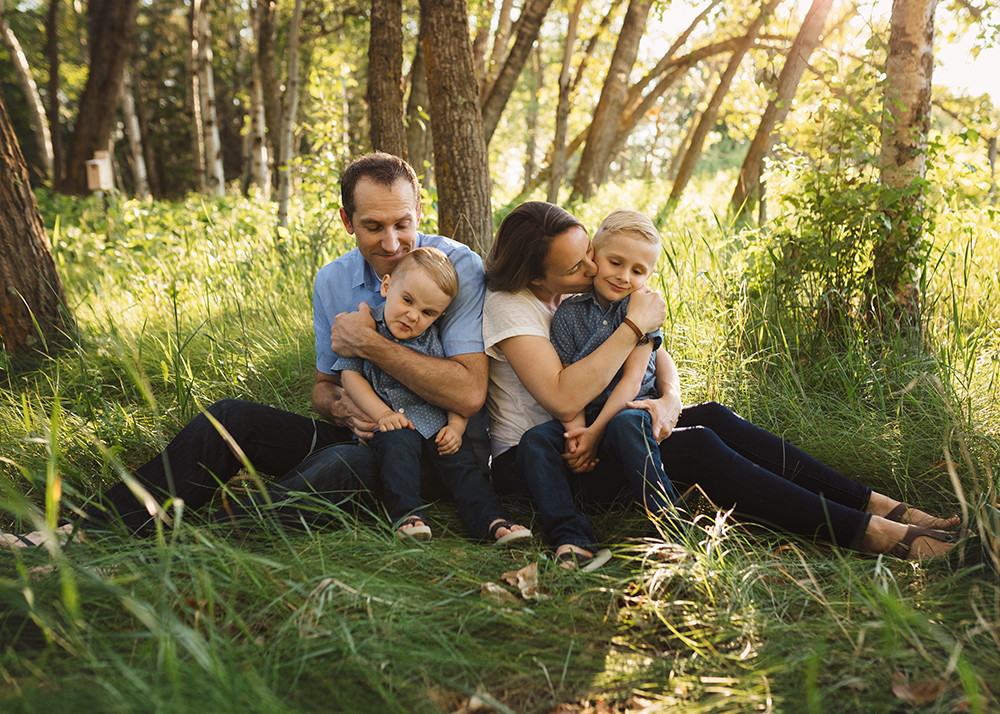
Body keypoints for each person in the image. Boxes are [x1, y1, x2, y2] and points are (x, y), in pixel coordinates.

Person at [2, 152, 524, 547]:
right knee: (234, 417)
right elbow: (323, 389)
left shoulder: (455, 270)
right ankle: (83, 532)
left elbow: (470, 392)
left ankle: (209, 542)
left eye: (402, 224)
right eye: (373, 226)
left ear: (418, 212)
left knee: (340, 461)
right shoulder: (333, 281)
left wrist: (372, 347)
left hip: (434, 450)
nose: (391, 243)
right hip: (364, 433)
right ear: (347, 222)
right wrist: (347, 406)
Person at [481, 201, 962, 570]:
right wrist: (634, 328)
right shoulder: (513, 306)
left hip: (600, 424)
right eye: (576, 267)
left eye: (587, 255)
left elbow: (647, 352)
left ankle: (879, 504)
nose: (590, 270)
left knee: (709, 414)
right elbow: (566, 396)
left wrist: (669, 398)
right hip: (551, 454)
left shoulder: (575, 286)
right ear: (536, 273)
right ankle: (871, 532)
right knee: (699, 448)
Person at [335, 247, 529, 544]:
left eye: (427, 312)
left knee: (463, 467)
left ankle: (491, 520)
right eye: (407, 300)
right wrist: (382, 414)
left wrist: (456, 426)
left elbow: (454, 389)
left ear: (440, 315)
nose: (412, 316)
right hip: (392, 423)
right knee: (397, 454)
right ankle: (406, 517)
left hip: (437, 426)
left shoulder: (432, 339)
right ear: (387, 286)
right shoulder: (365, 326)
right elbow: (351, 377)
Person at [524, 210, 680, 565]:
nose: (624, 277)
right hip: (587, 413)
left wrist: (595, 433)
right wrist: (578, 432)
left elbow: (632, 380)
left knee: (626, 423)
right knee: (535, 440)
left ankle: (671, 533)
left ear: (649, 275)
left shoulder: (645, 310)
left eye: (638, 271)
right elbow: (565, 380)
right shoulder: (568, 314)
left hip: (629, 410)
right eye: (615, 262)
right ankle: (572, 536)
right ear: (594, 255)